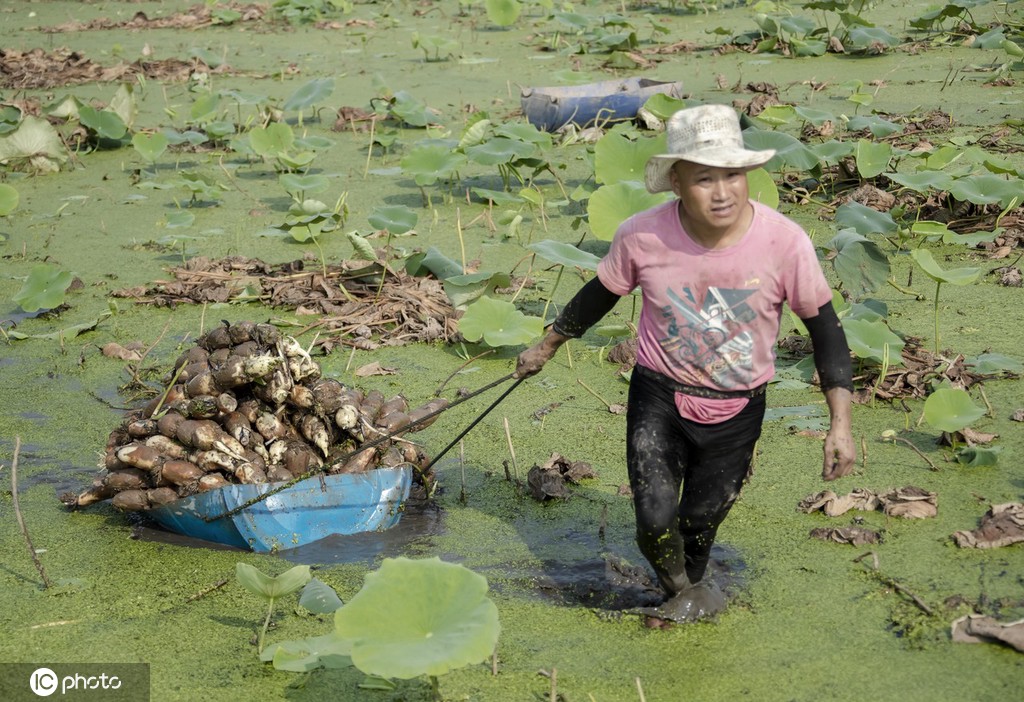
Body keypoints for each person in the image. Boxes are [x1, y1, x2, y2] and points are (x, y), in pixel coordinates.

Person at [515, 104, 856, 622]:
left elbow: (826, 331)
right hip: (660, 396)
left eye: (732, 176)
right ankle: (683, 595)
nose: (722, 192)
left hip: (738, 409)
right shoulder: (641, 235)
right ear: (676, 182)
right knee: (653, 521)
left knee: (698, 526)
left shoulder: (785, 243)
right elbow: (599, 295)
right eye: (704, 179)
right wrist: (545, 347)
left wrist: (840, 424)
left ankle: (689, 590)